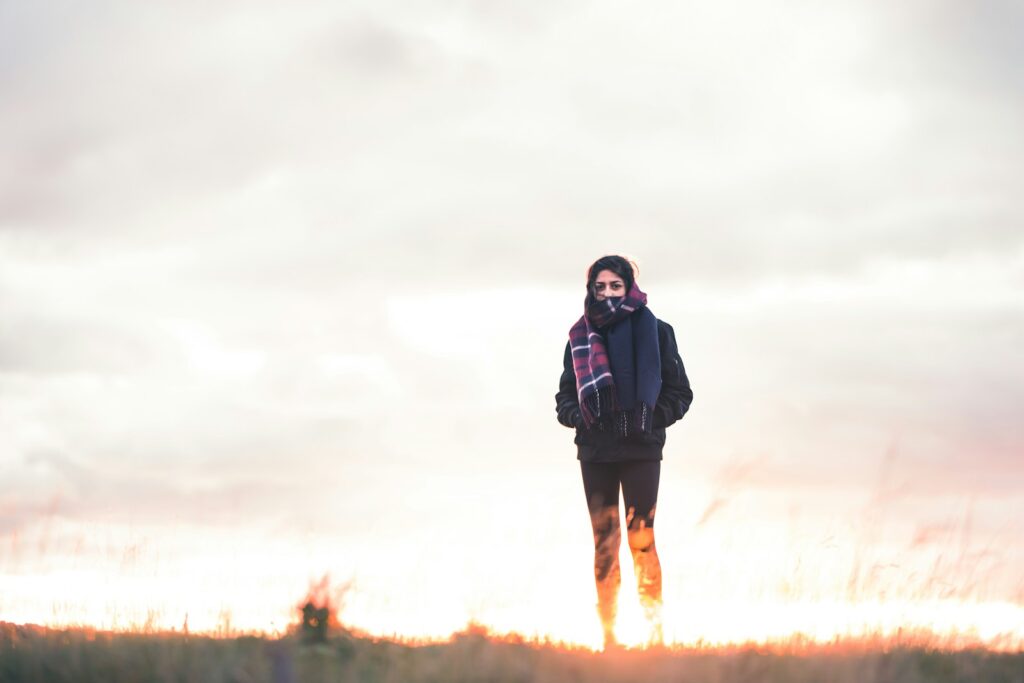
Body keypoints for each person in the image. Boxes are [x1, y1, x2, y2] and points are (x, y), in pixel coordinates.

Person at [554, 255, 693, 650]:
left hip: (641, 451)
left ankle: (654, 637)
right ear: (591, 290)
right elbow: (566, 394)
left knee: (641, 539)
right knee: (605, 543)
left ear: (629, 286)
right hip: (595, 451)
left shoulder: (658, 331)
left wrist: (650, 421)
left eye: (616, 286)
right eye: (601, 287)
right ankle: (610, 639)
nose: (609, 294)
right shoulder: (579, 337)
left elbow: (680, 393)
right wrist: (579, 417)